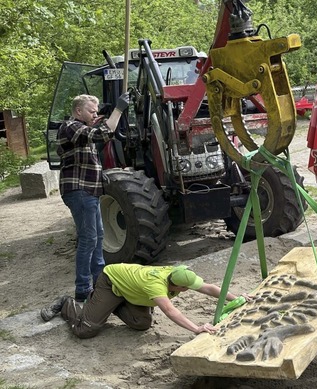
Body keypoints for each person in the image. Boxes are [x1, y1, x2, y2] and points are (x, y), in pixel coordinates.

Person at [40, 263, 248, 339]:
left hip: (130, 290)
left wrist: (238, 298)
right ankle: (67, 304)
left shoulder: (179, 273)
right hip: (111, 281)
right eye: (183, 289)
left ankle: (111, 306)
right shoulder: (156, 286)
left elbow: (209, 287)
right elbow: (170, 310)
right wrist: (196, 328)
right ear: (175, 285)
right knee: (86, 330)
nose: (188, 290)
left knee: (142, 324)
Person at [57, 93, 130, 301]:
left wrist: (99, 119)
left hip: (89, 190)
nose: (95, 114)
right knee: (88, 239)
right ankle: (82, 289)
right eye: (91, 110)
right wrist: (118, 109)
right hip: (79, 191)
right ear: (78, 111)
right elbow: (103, 134)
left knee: (97, 236)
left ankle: (99, 281)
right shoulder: (70, 126)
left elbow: (96, 133)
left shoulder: (81, 130)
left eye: (96, 111)